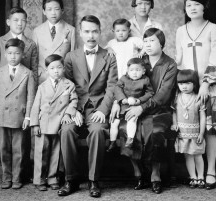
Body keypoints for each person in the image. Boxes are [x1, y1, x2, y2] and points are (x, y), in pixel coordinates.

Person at [110, 28, 177, 194]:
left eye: (152, 41)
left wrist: (142, 107)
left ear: (161, 43)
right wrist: (118, 102)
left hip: (159, 110)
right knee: (126, 128)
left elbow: (162, 95)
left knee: (154, 132)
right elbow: (122, 83)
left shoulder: (169, 64)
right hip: (133, 108)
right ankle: (138, 172)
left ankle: (155, 174)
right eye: (145, 41)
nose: (147, 44)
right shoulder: (139, 61)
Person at [58, 15, 118, 198]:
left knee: (98, 131)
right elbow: (66, 86)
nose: (91, 35)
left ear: (100, 32)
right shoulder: (70, 56)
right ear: (81, 32)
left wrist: (102, 110)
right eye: (87, 31)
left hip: (98, 108)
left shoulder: (109, 56)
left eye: (94, 31)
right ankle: (71, 179)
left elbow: (112, 87)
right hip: (75, 105)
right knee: (66, 130)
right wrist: (73, 109)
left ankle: (94, 179)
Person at [175, 0, 216, 189]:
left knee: (209, 130)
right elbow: (178, 59)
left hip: (210, 87)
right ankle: (194, 172)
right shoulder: (181, 30)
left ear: (204, 6)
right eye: (189, 5)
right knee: (192, 130)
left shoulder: (213, 29)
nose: (192, 8)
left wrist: (206, 83)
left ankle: (211, 170)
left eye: (196, 4)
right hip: (188, 88)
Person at [0, 38, 35, 189]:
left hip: (19, 117)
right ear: (5, 54)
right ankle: (6, 177)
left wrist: (28, 116)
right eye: (10, 53)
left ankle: (17, 178)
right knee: (4, 149)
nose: (13, 56)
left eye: (17, 53)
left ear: (22, 55)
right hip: (2, 116)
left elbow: (30, 97)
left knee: (18, 150)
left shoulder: (28, 73)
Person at [30, 54, 78, 192]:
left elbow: (74, 100)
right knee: (41, 152)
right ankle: (39, 180)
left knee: (56, 153)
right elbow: (35, 106)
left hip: (58, 123)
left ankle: (52, 179)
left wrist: (69, 113)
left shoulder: (69, 84)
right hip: (43, 122)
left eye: (59, 67)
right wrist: (35, 124)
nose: (56, 71)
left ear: (63, 68)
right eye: (52, 68)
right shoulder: (42, 86)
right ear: (47, 70)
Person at [107, 57, 153, 152]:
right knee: (114, 122)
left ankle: (130, 139)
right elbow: (117, 88)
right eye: (132, 70)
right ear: (127, 71)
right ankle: (112, 142)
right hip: (123, 105)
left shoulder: (145, 80)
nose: (135, 73)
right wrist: (122, 99)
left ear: (143, 71)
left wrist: (139, 101)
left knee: (131, 120)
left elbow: (150, 93)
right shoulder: (123, 78)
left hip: (134, 107)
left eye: (138, 70)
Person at [171, 69, 206, 189]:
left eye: (187, 83)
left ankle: (201, 176)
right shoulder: (177, 98)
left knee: (197, 155)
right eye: (181, 84)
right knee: (188, 155)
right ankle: (193, 177)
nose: (184, 87)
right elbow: (174, 112)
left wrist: (201, 133)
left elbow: (202, 117)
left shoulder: (197, 98)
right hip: (183, 133)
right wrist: (174, 123)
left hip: (195, 133)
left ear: (194, 84)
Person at [32, 0, 76, 84]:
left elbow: (73, 58)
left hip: (62, 77)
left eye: (56, 9)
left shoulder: (70, 30)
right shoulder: (37, 31)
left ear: (62, 10)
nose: (53, 13)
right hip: (43, 77)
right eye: (49, 9)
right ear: (44, 11)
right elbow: (34, 57)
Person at [0, 7, 38, 84]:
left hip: (24, 89)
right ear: (8, 22)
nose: (19, 23)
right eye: (16, 20)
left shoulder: (31, 44)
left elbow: (34, 71)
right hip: (4, 88)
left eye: (23, 21)